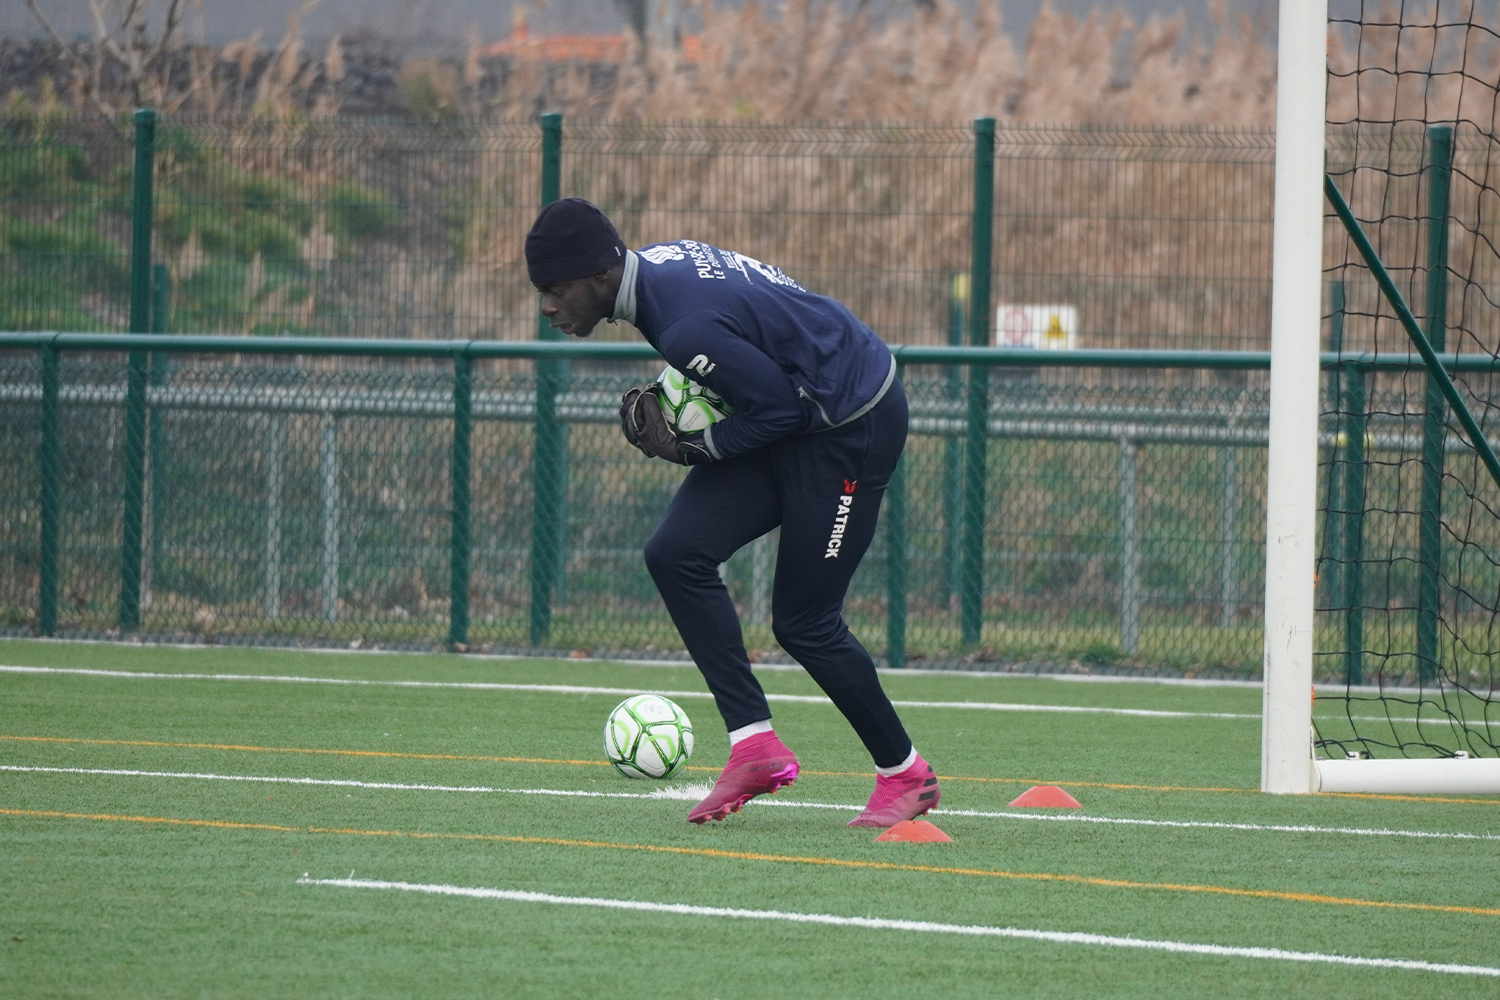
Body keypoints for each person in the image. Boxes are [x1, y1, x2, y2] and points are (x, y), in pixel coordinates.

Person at [525, 197, 940, 828]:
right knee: (675, 553)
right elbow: (765, 378)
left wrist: (700, 445)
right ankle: (755, 747)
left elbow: (780, 410)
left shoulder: (683, 327)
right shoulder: (658, 268)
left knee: (806, 623)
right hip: (800, 410)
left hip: (851, 423)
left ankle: (904, 775)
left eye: (556, 290)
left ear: (601, 277)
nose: (548, 306)